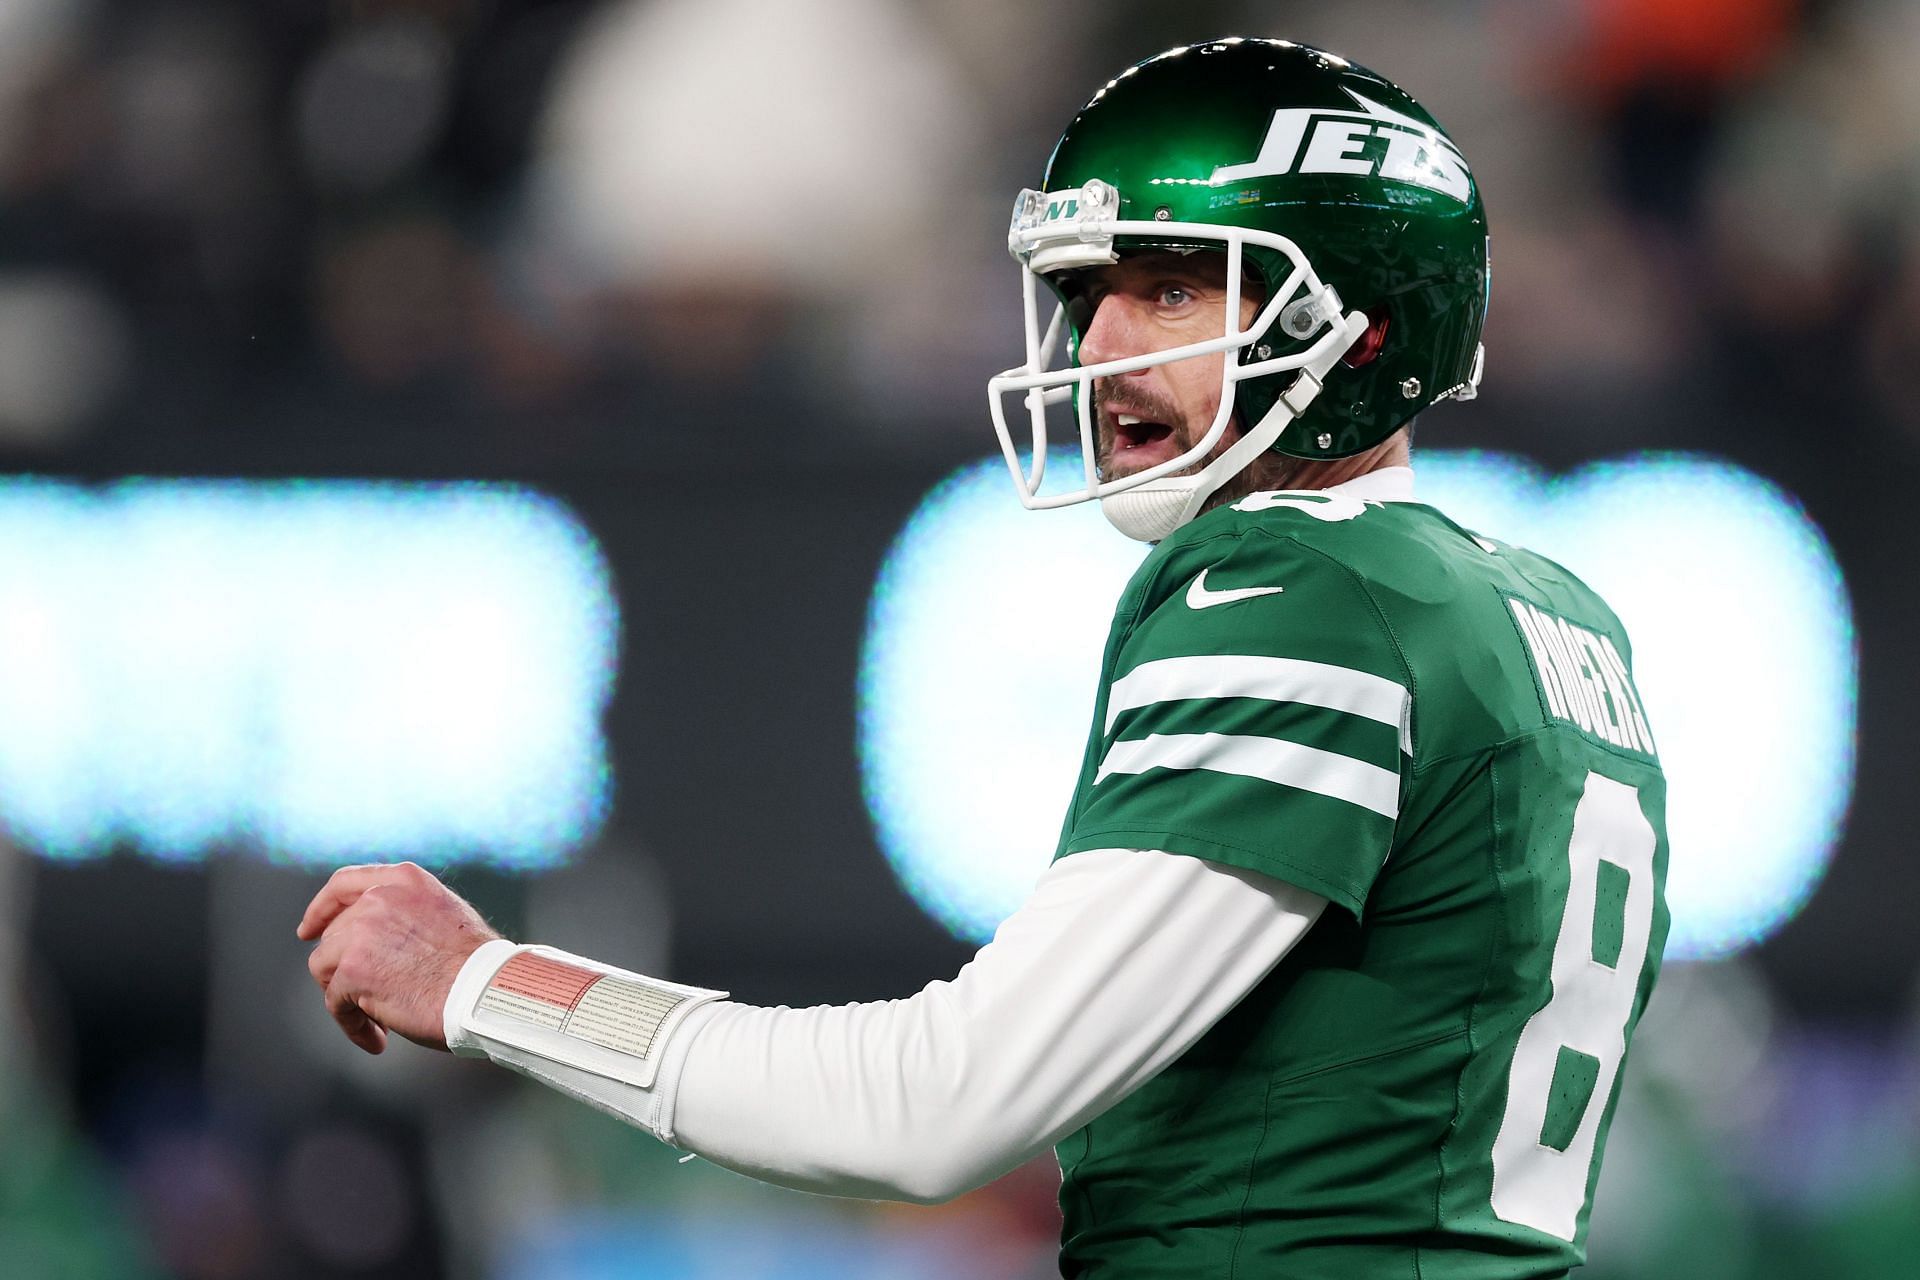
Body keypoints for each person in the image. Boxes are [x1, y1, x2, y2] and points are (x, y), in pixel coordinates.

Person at [299, 40, 1669, 1277]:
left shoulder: (1300, 590)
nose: (1104, 345)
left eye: (1177, 286)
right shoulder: (1553, 621)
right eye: (1093, 291)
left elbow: (934, 1104)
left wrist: (486, 986)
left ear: (1362, 327)